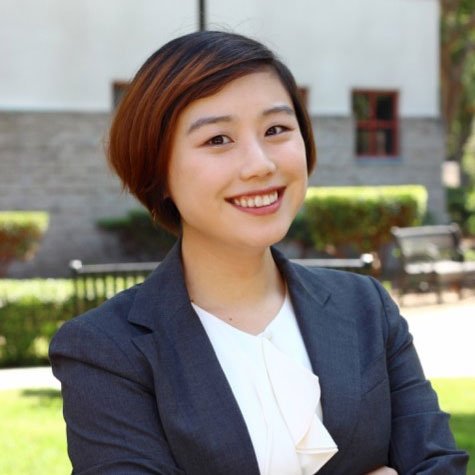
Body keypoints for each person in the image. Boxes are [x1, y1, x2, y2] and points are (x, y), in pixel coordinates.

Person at [49, 31, 468, 475]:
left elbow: (438, 463)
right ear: (159, 171)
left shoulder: (365, 307)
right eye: (218, 139)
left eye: (276, 130)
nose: (260, 165)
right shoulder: (106, 350)